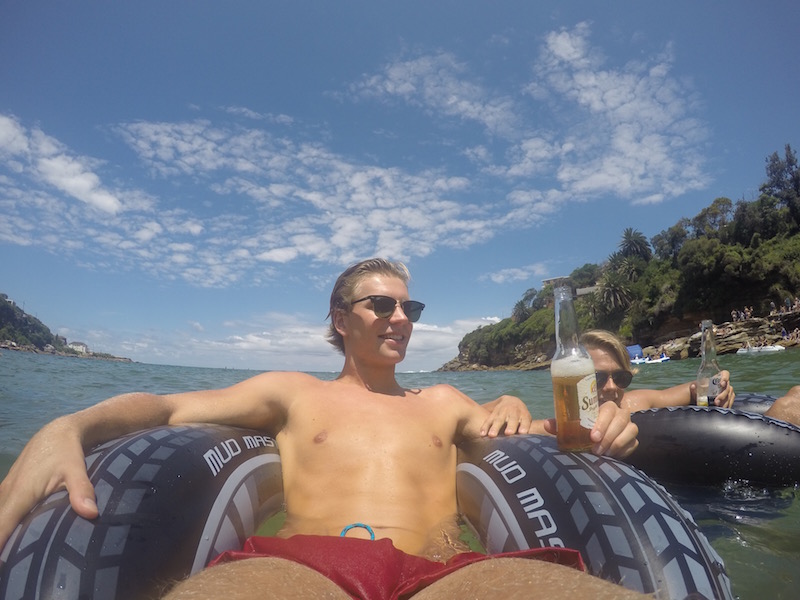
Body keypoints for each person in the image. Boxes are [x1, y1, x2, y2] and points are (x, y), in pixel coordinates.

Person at [0, 258, 643, 600]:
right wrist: (71, 425)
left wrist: (605, 422)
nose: (401, 318)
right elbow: (169, 409)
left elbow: (543, 433)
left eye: (410, 307)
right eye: (382, 304)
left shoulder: (446, 401)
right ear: (340, 318)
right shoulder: (294, 393)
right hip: (306, 570)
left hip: (444, 574)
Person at [580, 329, 735, 412]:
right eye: (597, 378)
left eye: (620, 378)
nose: (612, 387)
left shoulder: (634, 404)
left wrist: (718, 385)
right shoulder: (568, 431)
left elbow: (693, 389)